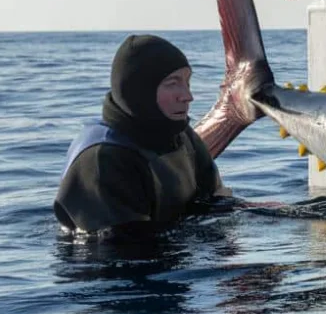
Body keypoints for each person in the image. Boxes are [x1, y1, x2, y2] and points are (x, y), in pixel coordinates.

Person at [54, 35, 227, 236]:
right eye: (172, 83)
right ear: (140, 90)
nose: (187, 96)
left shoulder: (181, 136)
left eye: (187, 82)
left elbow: (215, 202)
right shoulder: (102, 160)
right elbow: (125, 252)